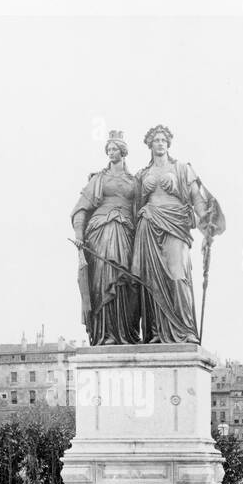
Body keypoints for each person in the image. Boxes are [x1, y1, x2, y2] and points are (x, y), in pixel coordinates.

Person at [131, 123, 225, 344]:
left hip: (175, 224)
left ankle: (185, 329)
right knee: (152, 280)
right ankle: (156, 332)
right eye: (156, 140)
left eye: (163, 140)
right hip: (148, 224)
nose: (160, 143)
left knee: (177, 275)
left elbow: (198, 201)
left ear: (169, 144)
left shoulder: (182, 169)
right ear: (149, 145)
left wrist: (207, 228)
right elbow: (133, 204)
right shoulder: (142, 174)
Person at [71, 131, 140, 345]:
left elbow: (143, 209)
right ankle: (106, 333)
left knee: (126, 280)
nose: (111, 153)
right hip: (100, 232)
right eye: (108, 149)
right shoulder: (98, 179)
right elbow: (81, 208)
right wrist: (79, 234)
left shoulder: (134, 180)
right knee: (103, 280)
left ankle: (125, 332)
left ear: (123, 151)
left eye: (115, 149)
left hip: (127, 232)